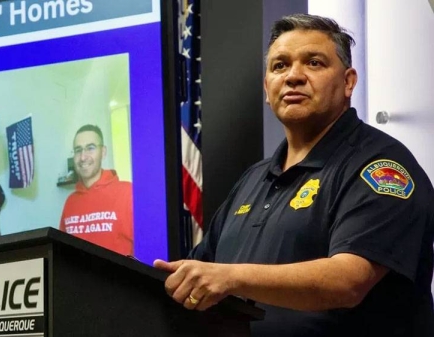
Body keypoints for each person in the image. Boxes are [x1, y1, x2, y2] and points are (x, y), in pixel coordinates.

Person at [154, 14, 434, 336]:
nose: (293, 77)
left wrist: (231, 277)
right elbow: (203, 274)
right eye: (279, 66)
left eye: (313, 63)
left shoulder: (380, 166)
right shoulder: (252, 180)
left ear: (348, 82)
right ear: (266, 88)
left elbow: (349, 281)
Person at [59, 124, 134, 255]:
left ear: (103, 152)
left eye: (90, 148)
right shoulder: (70, 202)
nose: (83, 157)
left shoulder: (128, 193)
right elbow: (62, 251)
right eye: (78, 150)